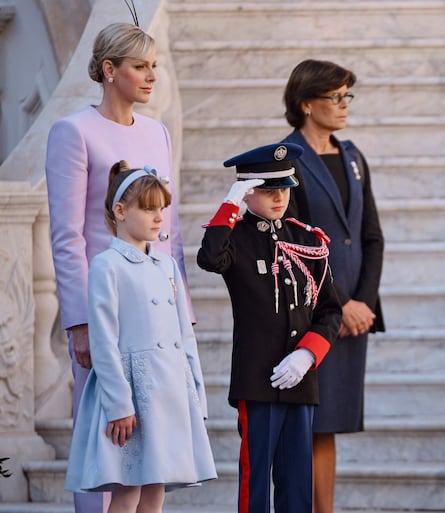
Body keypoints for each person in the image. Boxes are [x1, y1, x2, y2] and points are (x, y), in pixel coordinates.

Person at [44, 22, 190, 513]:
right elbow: (67, 235)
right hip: (104, 307)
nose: (152, 77)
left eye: (154, 66)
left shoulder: (157, 132)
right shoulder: (73, 131)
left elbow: (170, 228)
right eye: (139, 67)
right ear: (109, 70)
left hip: (157, 309)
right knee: (104, 433)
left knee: (155, 440)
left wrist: (181, 308)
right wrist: (79, 322)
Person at [197, 142, 342, 513]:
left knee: (298, 485)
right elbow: (210, 258)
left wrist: (307, 355)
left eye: (284, 188)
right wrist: (230, 205)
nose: (279, 197)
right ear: (248, 191)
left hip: (300, 380)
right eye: (267, 189)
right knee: (256, 479)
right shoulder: (237, 238)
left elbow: (329, 311)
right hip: (257, 380)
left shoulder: (307, 239)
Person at [64, 161, 216, 513]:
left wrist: (196, 396)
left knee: (155, 489)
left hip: (171, 389)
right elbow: (104, 340)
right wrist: (119, 405)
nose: (159, 217)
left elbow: (183, 337)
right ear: (120, 210)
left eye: (161, 208)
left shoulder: (167, 266)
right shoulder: (107, 265)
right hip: (132, 391)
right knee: (128, 488)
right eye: (148, 208)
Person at [281, 59, 385, 513]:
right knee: (305, 422)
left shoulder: (353, 157)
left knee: (328, 423)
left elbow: (371, 236)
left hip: (353, 314)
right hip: (310, 315)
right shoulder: (285, 159)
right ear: (306, 104)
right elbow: (291, 244)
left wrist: (363, 301)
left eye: (348, 96)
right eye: (335, 97)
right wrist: (339, 306)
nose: (344, 106)